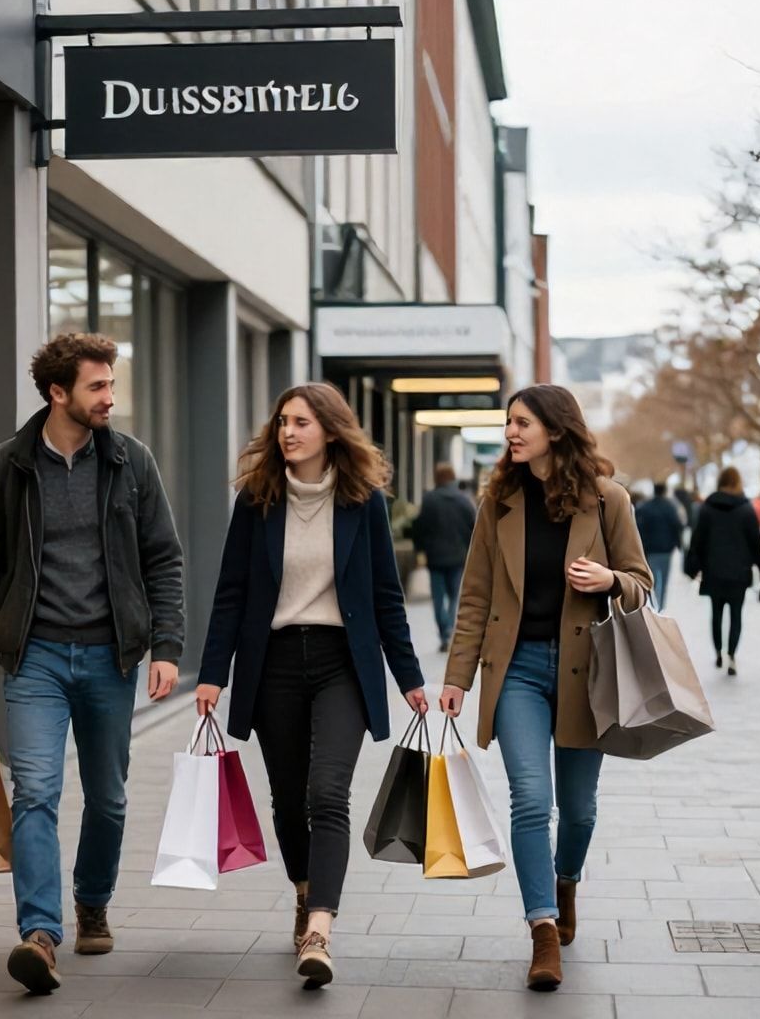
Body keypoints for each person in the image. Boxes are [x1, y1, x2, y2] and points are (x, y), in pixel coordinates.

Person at [0, 333, 186, 995]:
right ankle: (40, 934)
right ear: (58, 394)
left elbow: (163, 556)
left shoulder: (132, 462)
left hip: (111, 656)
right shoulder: (5, 467)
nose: (111, 397)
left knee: (107, 797)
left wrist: (169, 647)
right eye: (97, 386)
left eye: (111, 384)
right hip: (36, 656)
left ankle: (92, 902)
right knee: (37, 792)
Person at [197, 382, 428, 989]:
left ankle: (320, 927)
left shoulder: (363, 501)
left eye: (300, 422)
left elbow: (385, 598)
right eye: (282, 422)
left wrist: (410, 678)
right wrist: (212, 675)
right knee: (287, 799)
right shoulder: (258, 500)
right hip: (271, 663)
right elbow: (231, 594)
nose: (288, 432)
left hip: (340, 664)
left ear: (330, 430)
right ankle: (304, 891)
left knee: (328, 793)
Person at [439, 384, 652, 992]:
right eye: (509, 422)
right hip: (518, 671)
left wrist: (610, 577)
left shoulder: (607, 500)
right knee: (532, 800)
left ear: (555, 431)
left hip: (587, 672)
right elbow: (475, 595)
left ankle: (567, 880)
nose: (511, 432)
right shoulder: (498, 501)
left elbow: (643, 583)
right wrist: (458, 678)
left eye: (521, 422)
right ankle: (542, 928)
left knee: (579, 812)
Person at [684, 467, 760, 676]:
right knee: (736, 615)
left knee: (716, 613)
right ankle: (732, 655)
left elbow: (698, 540)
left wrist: (693, 565)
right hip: (739, 572)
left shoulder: (708, 508)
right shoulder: (746, 510)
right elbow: (755, 542)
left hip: (714, 570)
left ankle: (718, 652)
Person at [411, 462, 478, 651]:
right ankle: (450, 627)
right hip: (458, 557)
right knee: (455, 596)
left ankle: (443, 631)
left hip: (435, 558)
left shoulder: (429, 500)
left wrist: (420, 550)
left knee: (438, 598)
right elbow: (474, 530)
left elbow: (420, 527)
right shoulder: (464, 500)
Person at [634, 482, 683, 610]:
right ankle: (660, 606)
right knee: (664, 578)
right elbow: (677, 525)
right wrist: (678, 543)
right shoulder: (670, 507)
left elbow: (639, 527)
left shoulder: (646, 507)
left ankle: (653, 605)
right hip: (666, 549)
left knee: (653, 579)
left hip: (651, 549)